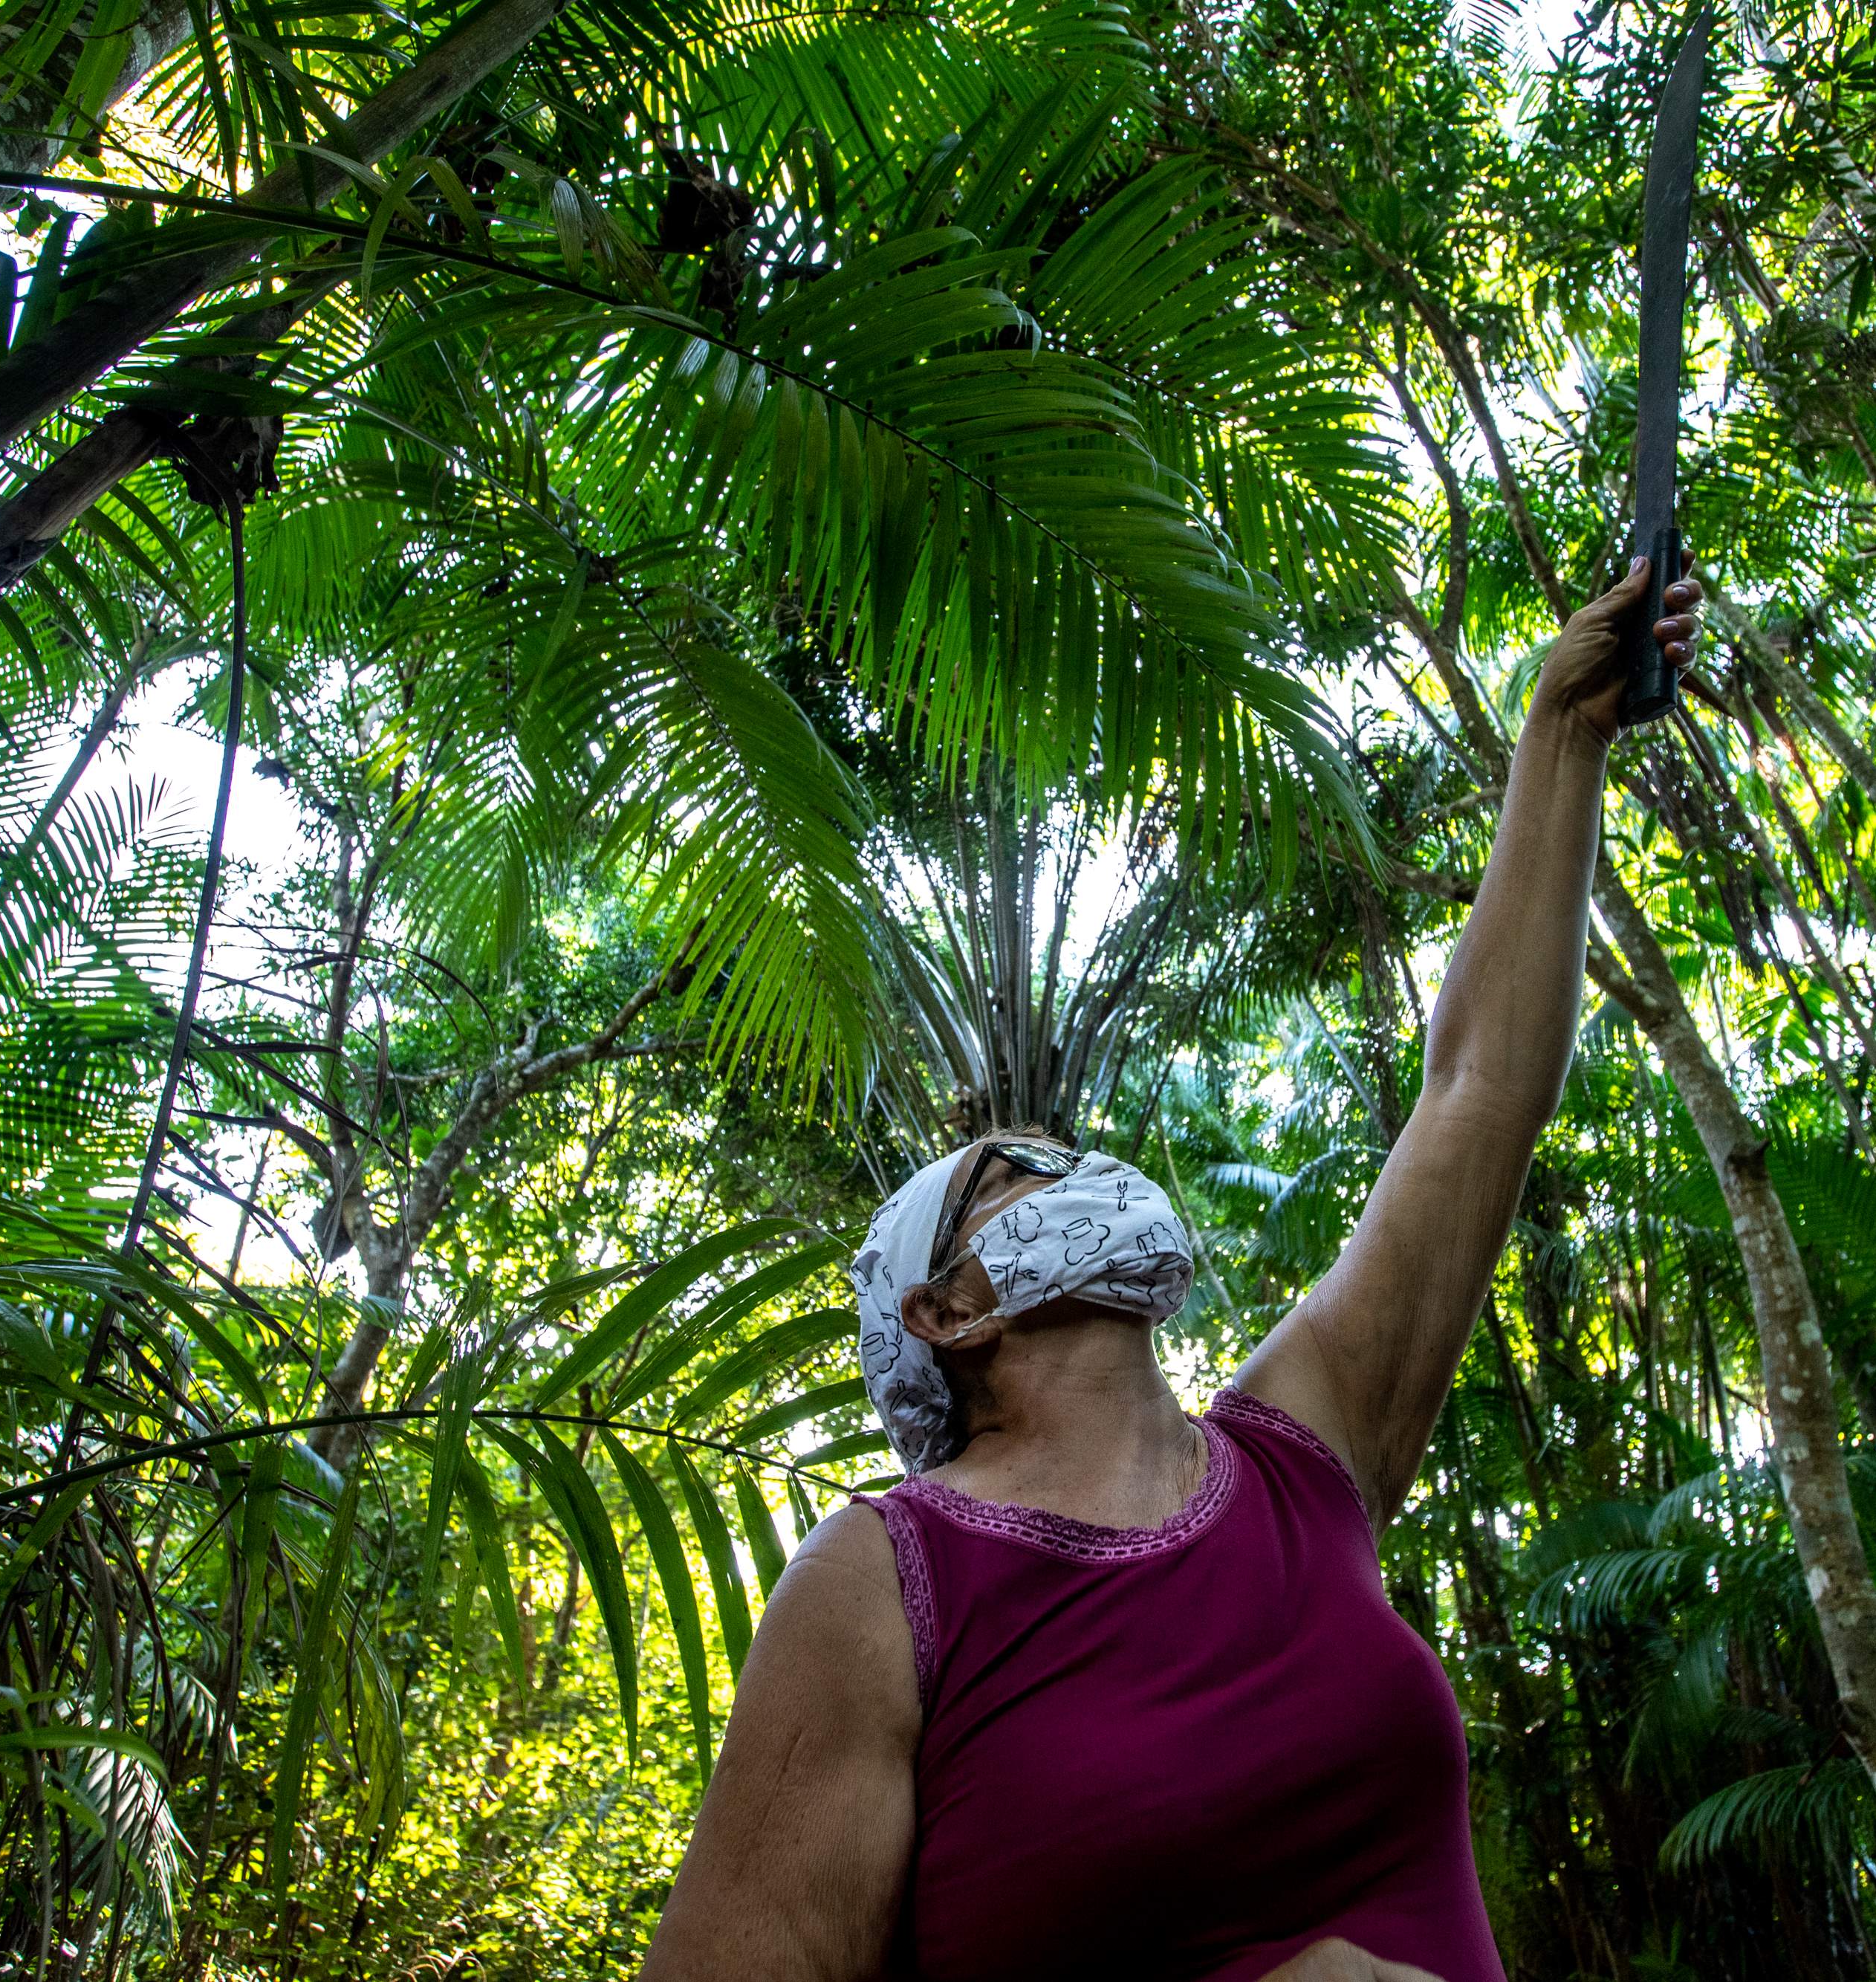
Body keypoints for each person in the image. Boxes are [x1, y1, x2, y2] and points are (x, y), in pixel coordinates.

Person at [637, 557, 1705, 1982]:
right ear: (949, 1311)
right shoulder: (880, 1583)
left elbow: (1479, 1093)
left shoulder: (1299, 1450)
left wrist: (1560, 738)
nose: (1076, 1169)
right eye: (1018, 1172)